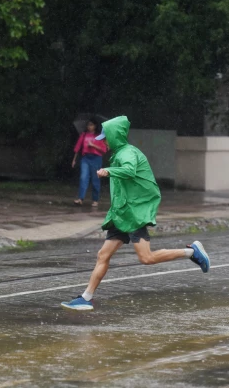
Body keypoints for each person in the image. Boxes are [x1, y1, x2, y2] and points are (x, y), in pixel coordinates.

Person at [61, 116, 211, 311]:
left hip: (133, 214)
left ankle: (192, 252)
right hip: (121, 214)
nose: (103, 142)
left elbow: (130, 171)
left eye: (105, 138)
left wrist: (109, 171)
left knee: (146, 258)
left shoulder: (128, 153)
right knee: (103, 255)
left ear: (114, 137)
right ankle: (86, 298)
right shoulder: (119, 153)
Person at [72, 119, 107, 207]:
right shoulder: (83, 135)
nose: (89, 127)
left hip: (96, 159)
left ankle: (95, 200)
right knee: (83, 177)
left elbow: (103, 149)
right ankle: (80, 198)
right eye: (88, 125)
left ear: (95, 126)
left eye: (91, 125)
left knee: (95, 179)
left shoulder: (100, 136)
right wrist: (74, 159)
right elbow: (78, 147)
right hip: (86, 158)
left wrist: (93, 145)